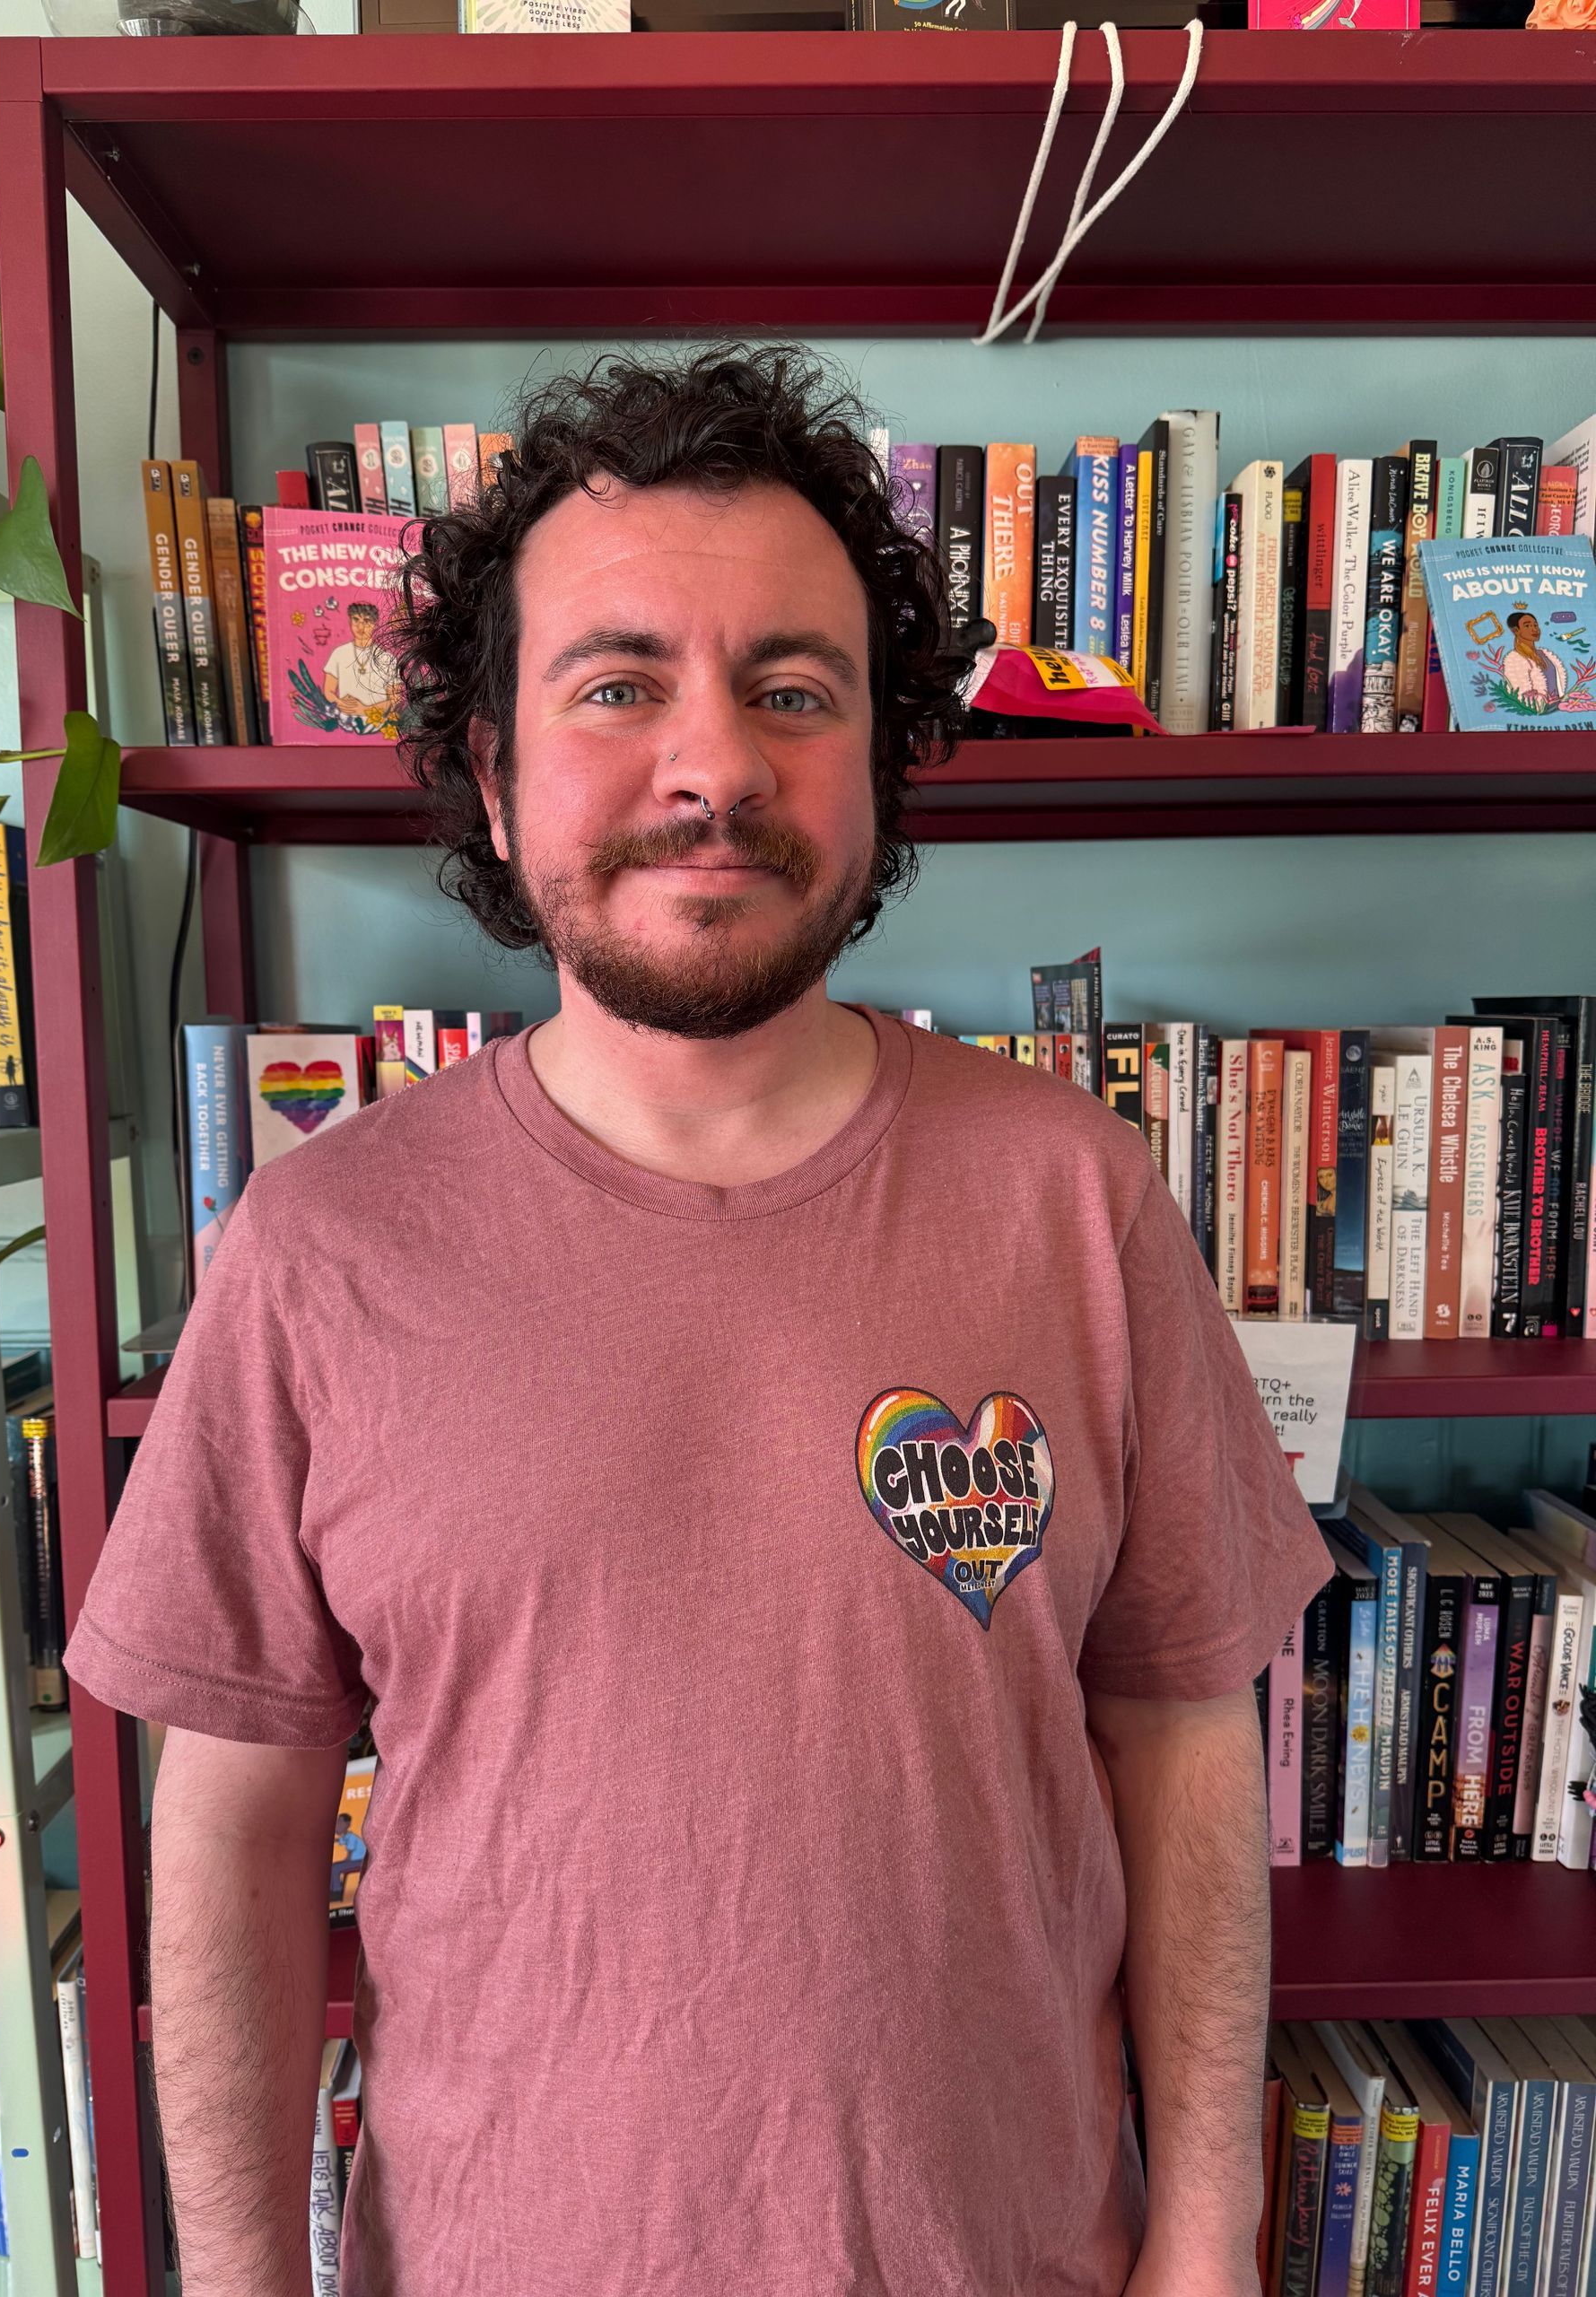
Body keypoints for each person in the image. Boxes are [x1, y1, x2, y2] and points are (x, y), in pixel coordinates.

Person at [64, 346, 1330, 2297]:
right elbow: (223, 1831)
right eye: (619, 682)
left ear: (880, 762)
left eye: (793, 688)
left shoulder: (1079, 1194)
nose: (715, 762)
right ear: (490, 767)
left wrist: (1207, 2236)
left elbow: (1180, 1736)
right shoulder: (319, 1249)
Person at [321, 598, 401, 727]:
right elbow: (329, 691)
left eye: (367, 621)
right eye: (356, 620)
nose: (360, 626)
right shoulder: (339, 653)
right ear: (350, 621)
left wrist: (363, 709)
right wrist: (339, 702)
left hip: (378, 723)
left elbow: (395, 699)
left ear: (375, 624)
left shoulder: (387, 658)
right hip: (346, 722)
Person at [1501, 607, 1568, 710]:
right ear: (1516, 631)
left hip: (1558, 706)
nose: (1534, 629)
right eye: (1527, 625)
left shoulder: (1544, 654)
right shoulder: (1515, 659)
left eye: (1535, 625)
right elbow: (1519, 693)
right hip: (1538, 710)